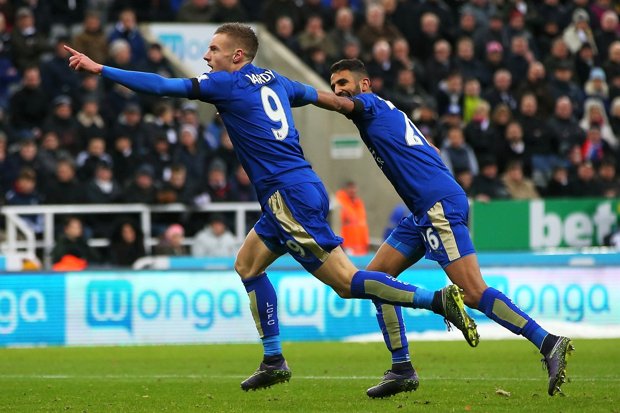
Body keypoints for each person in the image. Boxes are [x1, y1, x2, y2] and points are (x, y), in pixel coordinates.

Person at [64, 23, 476, 396]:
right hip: (295, 190)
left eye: (213, 50)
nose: (207, 58)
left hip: (287, 197)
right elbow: (319, 97)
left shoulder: (225, 85)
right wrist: (377, 113)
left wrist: (101, 69)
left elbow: (160, 86)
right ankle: (273, 360)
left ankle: (437, 301)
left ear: (237, 56)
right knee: (247, 265)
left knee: (347, 283)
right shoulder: (275, 80)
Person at [311, 58, 573, 397]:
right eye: (333, 84)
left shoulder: (368, 104)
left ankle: (548, 342)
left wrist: (296, 92)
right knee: (375, 281)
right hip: (425, 209)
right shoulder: (390, 112)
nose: (338, 90)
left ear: (364, 85)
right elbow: (431, 148)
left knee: (474, 292)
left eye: (343, 82)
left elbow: (339, 104)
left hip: (436, 206)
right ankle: (401, 368)